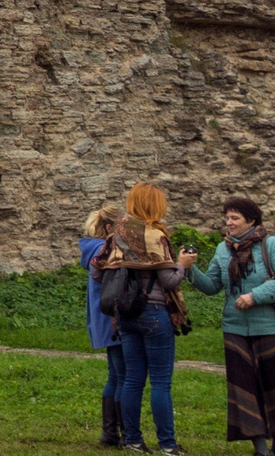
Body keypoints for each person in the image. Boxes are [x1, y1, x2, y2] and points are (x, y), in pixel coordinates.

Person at [182, 198, 275, 454]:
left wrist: (255, 297)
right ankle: (260, 448)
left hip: (271, 328)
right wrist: (189, 270)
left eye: (234, 218)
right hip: (235, 329)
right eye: (227, 218)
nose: (229, 223)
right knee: (245, 390)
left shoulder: (271, 244)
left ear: (251, 220)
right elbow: (212, 286)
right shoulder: (223, 250)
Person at [98, 182, 189, 454]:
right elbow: (169, 280)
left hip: (125, 315)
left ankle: (133, 440)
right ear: (155, 205)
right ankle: (168, 444)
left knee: (132, 379)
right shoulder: (154, 236)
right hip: (154, 313)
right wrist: (183, 265)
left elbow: (97, 271)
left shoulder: (116, 236)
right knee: (160, 381)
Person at [79, 203, 130, 448]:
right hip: (113, 318)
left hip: (104, 318)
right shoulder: (106, 250)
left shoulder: (95, 249)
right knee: (124, 376)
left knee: (116, 376)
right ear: (110, 227)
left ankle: (110, 433)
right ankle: (124, 433)